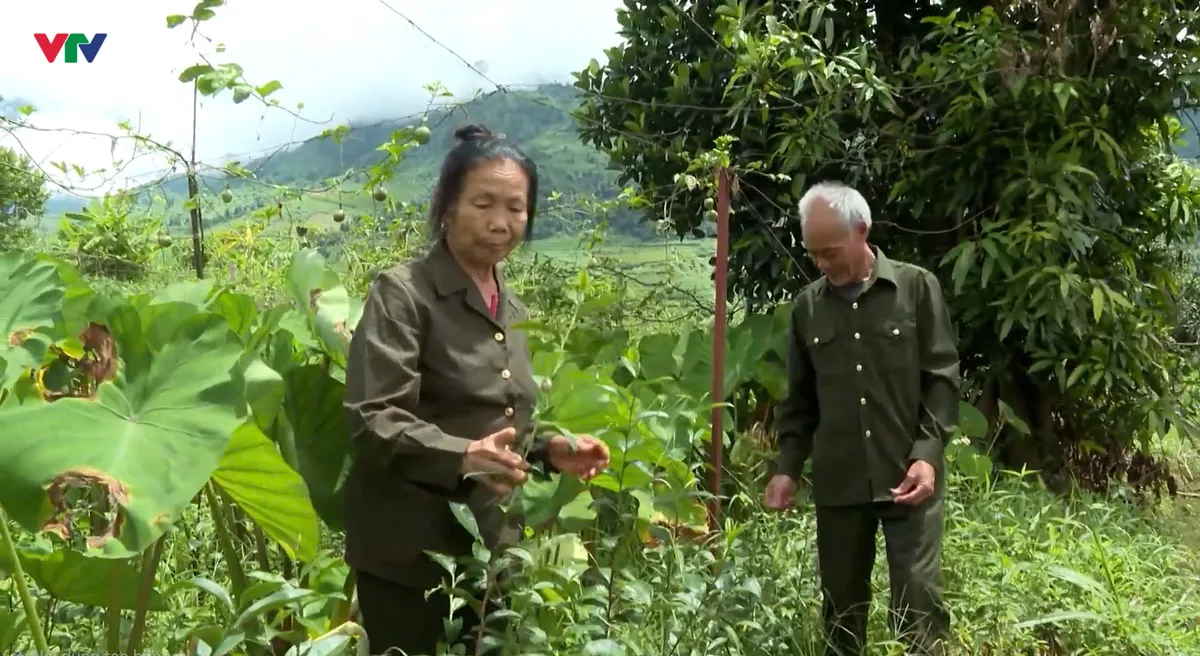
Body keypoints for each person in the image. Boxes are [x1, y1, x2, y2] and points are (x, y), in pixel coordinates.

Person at [342, 123, 611, 656]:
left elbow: (499, 426)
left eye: (515, 208)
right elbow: (373, 417)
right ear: (447, 208)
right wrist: (463, 456)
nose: (500, 222)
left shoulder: (511, 311)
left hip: (489, 554)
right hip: (411, 558)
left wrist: (551, 452)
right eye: (483, 203)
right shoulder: (404, 294)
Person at [763, 181, 960, 656]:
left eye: (829, 252)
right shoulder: (807, 309)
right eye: (813, 254)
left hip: (908, 477)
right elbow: (800, 401)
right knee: (841, 614)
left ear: (862, 231)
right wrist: (787, 469)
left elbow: (941, 378)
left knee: (918, 604)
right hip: (840, 483)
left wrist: (928, 456)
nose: (821, 263)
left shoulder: (914, 289)